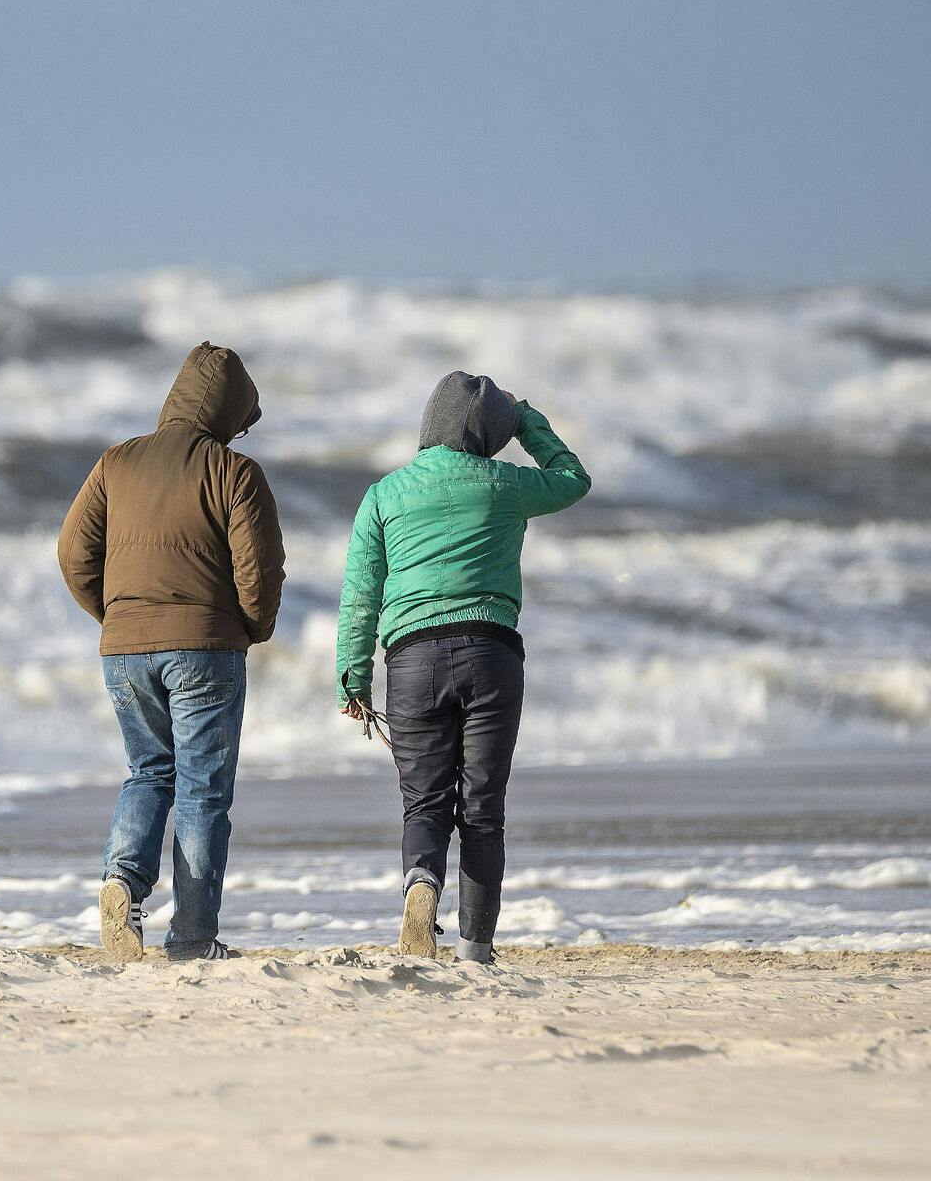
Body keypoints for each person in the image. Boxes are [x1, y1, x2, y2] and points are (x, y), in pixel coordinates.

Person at [336, 372, 591, 963]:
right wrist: (529, 421)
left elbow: (360, 594)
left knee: (423, 802)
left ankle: (421, 886)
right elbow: (575, 480)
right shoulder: (505, 484)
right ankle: (476, 948)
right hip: (491, 654)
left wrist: (352, 674)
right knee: (482, 805)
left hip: (411, 661)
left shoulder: (384, 494)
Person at [58, 342, 285, 962]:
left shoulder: (117, 462)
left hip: (124, 648)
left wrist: (116, 617)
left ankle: (120, 884)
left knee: (148, 772)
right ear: (230, 411)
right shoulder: (235, 473)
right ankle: (191, 937)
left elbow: (73, 556)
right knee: (202, 791)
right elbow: (258, 574)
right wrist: (251, 628)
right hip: (205, 649)